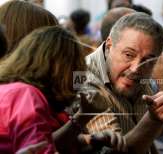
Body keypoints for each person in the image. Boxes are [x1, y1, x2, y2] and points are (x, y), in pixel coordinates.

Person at [0, 26, 126, 154]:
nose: (79, 78)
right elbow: (41, 148)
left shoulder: (11, 90)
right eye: (76, 67)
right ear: (59, 68)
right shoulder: (26, 95)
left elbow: (48, 141)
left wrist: (90, 139)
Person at [80, 13, 163, 154]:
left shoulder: (142, 76)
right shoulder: (82, 79)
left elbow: (152, 137)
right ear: (109, 46)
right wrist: (152, 120)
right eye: (129, 55)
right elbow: (112, 150)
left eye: (148, 61)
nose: (136, 69)